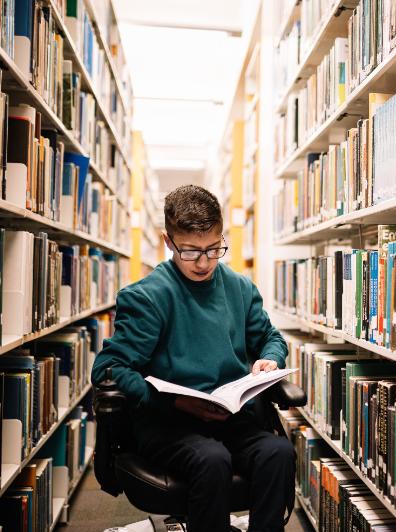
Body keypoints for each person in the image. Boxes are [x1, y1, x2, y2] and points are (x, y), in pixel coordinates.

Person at [91, 185, 294, 532]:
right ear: (168, 242)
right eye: (190, 252)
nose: (203, 262)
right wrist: (171, 402)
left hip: (232, 418)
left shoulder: (240, 288)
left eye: (214, 249)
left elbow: (271, 339)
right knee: (212, 461)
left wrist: (270, 359)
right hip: (170, 423)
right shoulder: (148, 297)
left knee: (279, 453)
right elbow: (109, 368)